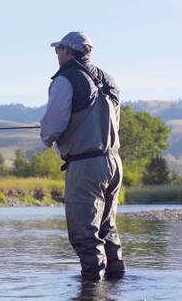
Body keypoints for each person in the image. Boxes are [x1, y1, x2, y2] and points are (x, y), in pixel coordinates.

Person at [40, 31, 125, 281]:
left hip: (86, 165)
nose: (57, 55)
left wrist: (46, 138)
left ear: (68, 51)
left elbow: (52, 127)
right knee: (107, 229)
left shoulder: (66, 80)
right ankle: (116, 285)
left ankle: (91, 288)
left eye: (58, 50)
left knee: (84, 233)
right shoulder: (109, 81)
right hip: (113, 162)